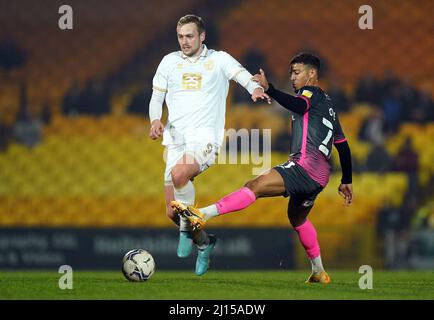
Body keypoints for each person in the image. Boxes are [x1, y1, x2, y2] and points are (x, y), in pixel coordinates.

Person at [171, 53, 354, 283]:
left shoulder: (311, 93)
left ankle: (202, 214)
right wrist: (346, 179)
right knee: (297, 219)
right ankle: (319, 272)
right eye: (291, 73)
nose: (293, 78)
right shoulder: (328, 105)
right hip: (319, 176)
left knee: (254, 185)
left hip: (303, 167)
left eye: (297, 73)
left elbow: (298, 103)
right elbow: (343, 146)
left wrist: (271, 89)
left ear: (312, 73)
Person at [148, 14, 269, 276]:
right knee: (172, 212)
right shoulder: (169, 62)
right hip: (175, 140)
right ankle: (205, 244)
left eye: (189, 36)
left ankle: (185, 231)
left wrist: (253, 89)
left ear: (202, 36)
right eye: (180, 36)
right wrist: (155, 120)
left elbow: (241, 75)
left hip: (205, 138)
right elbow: (156, 98)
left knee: (180, 175)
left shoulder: (219, 59)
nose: (184, 41)